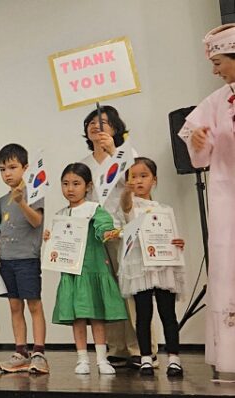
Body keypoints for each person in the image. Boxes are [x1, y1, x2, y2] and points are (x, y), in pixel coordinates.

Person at [79, 106, 156, 368]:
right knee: (108, 291)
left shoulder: (128, 154)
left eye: (102, 122)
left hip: (126, 230)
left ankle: (142, 348)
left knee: (133, 289)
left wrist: (115, 153)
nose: (95, 126)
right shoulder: (85, 164)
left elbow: (137, 186)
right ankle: (117, 348)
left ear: (115, 128)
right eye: (91, 122)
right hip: (99, 234)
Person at [178, 22, 235, 379]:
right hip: (228, 196)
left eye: (219, 62)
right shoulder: (216, 102)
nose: (215, 70)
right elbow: (198, 151)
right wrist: (198, 142)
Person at [47, 163, 127, 375]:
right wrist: (50, 238)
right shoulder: (61, 213)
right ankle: (82, 358)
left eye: (76, 184)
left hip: (93, 269)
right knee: (78, 317)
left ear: (88, 186)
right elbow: (58, 240)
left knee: (97, 315)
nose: (70, 189)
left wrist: (107, 232)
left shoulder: (94, 209)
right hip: (72, 272)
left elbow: (104, 227)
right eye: (65, 184)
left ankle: (102, 359)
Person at [118, 157, 186, 377]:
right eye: (133, 176)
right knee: (143, 314)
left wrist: (177, 243)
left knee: (168, 313)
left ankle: (174, 358)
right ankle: (146, 357)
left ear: (154, 180)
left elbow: (172, 235)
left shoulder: (164, 209)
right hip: (140, 266)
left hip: (163, 264)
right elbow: (126, 206)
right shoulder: (131, 207)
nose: (138, 181)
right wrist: (126, 192)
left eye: (143, 176)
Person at [0, 144, 49, 374]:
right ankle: (21, 351)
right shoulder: (1, 199)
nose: (8, 173)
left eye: (13, 167)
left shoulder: (35, 192)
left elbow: (36, 221)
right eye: (3, 169)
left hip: (27, 259)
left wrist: (21, 202)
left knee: (34, 305)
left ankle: (39, 352)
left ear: (25, 168)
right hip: (6, 260)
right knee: (14, 306)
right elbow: (3, 228)